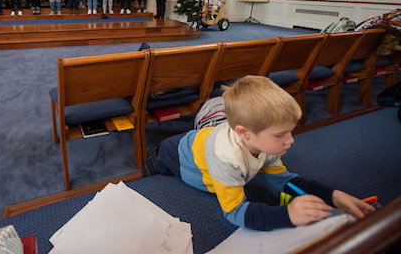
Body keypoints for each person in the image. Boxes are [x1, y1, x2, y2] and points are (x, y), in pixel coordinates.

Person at [146, 76, 375, 231]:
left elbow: (285, 180)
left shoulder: (266, 144)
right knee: (152, 179)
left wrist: (334, 196)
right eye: (280, 135)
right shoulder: (226, 157)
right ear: (244, 133)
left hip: (200, 143)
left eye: (290, 132)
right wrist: (288, 216)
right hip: (169, 154)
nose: (291, 140)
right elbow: (234, 212)